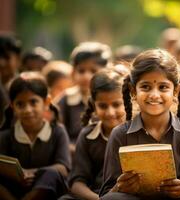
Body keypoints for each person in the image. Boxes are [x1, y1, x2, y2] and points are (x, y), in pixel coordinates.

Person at [99, 49, 180, 200]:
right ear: (133, 91)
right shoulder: (120, 134)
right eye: (145, 87)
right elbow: (106, 194)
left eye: (163, 87)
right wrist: (120, 187)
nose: (154, 95)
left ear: (176, 91)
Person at [0, 72, 71, 200]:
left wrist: (32, 172)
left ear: (46, 102)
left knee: (52, 173)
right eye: (20, 104)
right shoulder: (5, 137)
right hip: (14, 191)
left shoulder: (58, 132)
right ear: (12, 106)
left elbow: (63, 168)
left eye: (33, 102)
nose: (27, 110)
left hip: (48, 192)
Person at [60, 69, 126, 200]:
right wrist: (98, 199)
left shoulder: (137, 132)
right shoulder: (87, 135)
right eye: (103, 106)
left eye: (116, 104)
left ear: (127, 101)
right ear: (93, 106)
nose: (110, 112)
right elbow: (77, 182)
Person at [57, 42, 112, 154]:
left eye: (93, 71)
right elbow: (58, 134)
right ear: (73, 72)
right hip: (73, 152)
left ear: (107, 72)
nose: (86, 76)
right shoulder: (65, 100)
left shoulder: (111, 98)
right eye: (81, 71)